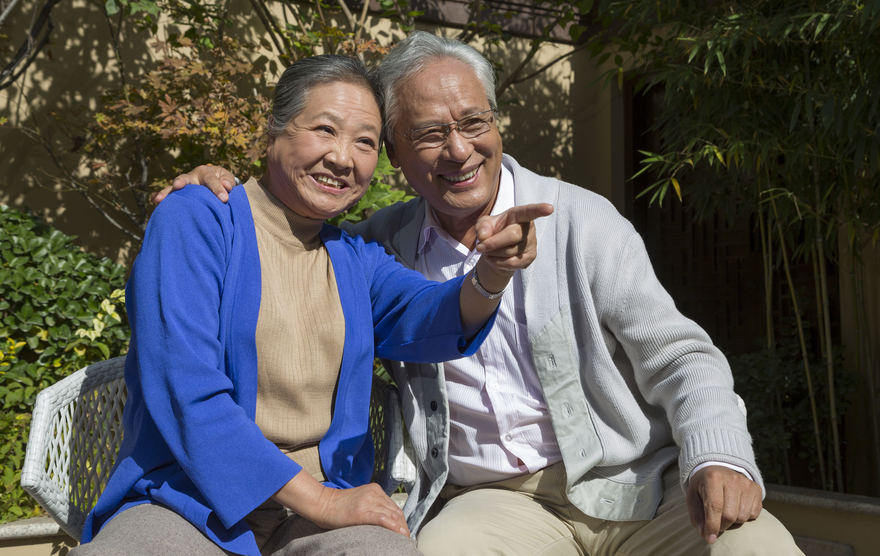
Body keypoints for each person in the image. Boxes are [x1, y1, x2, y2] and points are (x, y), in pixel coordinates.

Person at [160, 33, 804, 556]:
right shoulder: (374, 244)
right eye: (431, 134)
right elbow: (283, 237)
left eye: (474, 123)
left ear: (497, 125)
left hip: (635, 488)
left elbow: (680, 355)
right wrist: (202, 190)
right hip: (495, 505)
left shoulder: (582, 222)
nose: (460, 150)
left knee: (757, 550)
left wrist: (718, 455)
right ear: (399, 157)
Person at [78, 54, 552, 556]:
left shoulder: (352, 258)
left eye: (365, 142)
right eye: (325, 130)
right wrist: (322, 502)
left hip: (323, 508)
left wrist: (493, 273)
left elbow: (433, 316)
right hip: (188, 501)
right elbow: (185, 390)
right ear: (274, 133)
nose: (343, 158)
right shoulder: (198, 219)